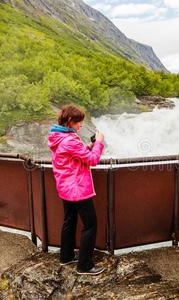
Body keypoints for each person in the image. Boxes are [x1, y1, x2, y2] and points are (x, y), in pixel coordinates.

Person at [47, 104, 105, 275]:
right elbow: (92, 160)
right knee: (90, 225)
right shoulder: (70, 140)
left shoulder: (57, 137)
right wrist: (99, 143)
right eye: (79, 122)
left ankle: (66, 257)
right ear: (70, 121)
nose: (81, 125)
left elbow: (74, 156)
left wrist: (89, 145)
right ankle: (84, 265)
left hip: (65, 187)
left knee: (69, 220)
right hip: (77, 188)